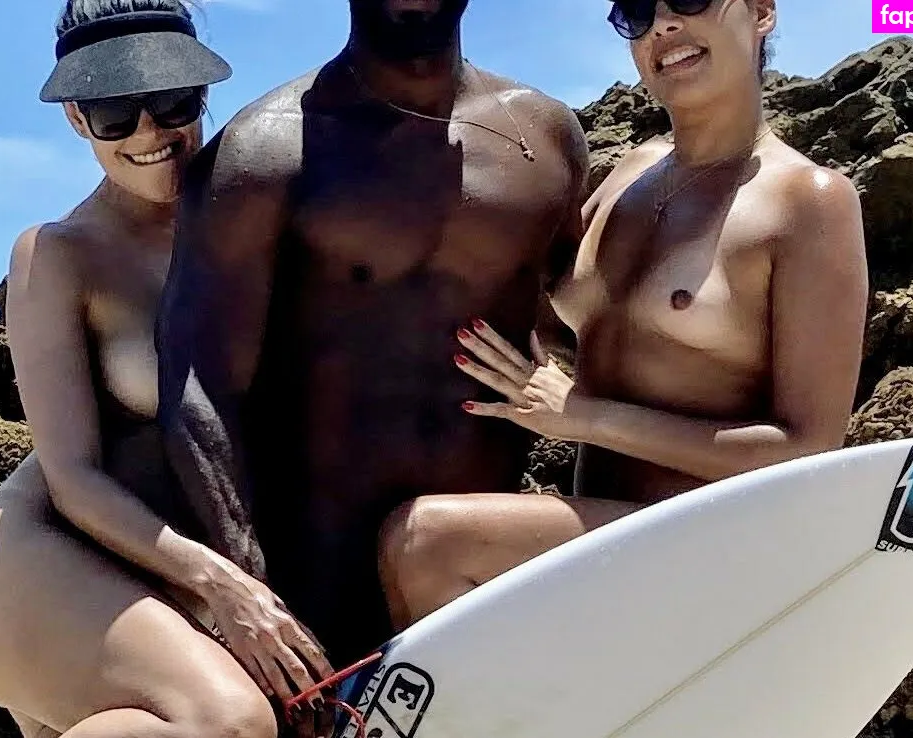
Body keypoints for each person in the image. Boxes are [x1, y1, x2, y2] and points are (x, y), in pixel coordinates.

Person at [380, 0, 870, 626]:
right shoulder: (625, 176)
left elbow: (806, 446)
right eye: (636, 11)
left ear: (761, 12)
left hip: (718, 549)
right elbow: (564, 326)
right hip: (607, 539)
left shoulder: (809, 200)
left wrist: (584, 417)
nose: (663, 25)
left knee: (427, 541)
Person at [155, 0, 591, 677]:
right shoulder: (265, 149)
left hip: (476, 575)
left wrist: (581, 400)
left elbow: (582, 323)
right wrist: (256, 594)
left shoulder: (545, 137)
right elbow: (198, 386)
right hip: (319, 584)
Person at [0, 3, 330, 738]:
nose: (150, 132)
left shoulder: (261, 222)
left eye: (172, 101)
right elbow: (72, 476)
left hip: (169, 559)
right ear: (76, 121)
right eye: (114, 113)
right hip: (49, 557)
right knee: (228, 723)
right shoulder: (60, 255)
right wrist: (220, 586)